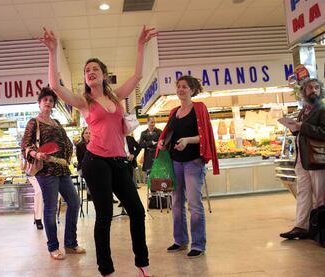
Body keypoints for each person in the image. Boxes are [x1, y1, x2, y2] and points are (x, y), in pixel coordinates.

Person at [41, 25, 157, 277]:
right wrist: (52, 51)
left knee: (137, 211)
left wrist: (141, 45)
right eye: (86, 70)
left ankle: (142, 263)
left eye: (95, 69)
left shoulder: (116, 98)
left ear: (104, 75)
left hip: (118, 162)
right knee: (104, 215)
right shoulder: (85, 102)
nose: (90, 72)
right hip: (96, 162)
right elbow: (56, 87)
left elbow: (137, 75)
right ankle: (106, 270)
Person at [157, 75, 219, 258]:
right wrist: (163, 143)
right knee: (176, 203)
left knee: (194, 203)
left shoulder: (199, 108)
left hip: (193, 162)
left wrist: (187, 141)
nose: (180, 90)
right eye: (178, 87)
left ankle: (198, 244)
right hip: (175, 162)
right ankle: (180, 240)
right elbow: (169, 135)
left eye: (184, 86)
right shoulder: (174, 112)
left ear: (192, 90)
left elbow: (205, 137)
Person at [21, 87, 85, 260]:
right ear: (39, 103)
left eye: (51, 100)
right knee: (50, 208)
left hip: (63, 169)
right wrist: (36, 154)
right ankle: (53, 247)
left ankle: (70, 243)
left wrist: (69, 153)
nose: (48, 103)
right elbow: (25, 145)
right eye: (45, 100)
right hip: (46, 171)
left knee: (74, 202)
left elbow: (66, 142)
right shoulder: (34, 122)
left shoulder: (56, 122)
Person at [280, 78, 325, 240]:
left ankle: (320, 229)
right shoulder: (304, 110)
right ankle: (301, 226)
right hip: (303, 158)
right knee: (303, 192)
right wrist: (294, 128)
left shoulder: (322, 109)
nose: (314, 90)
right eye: (310, 88)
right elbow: (305, 132)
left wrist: (302, 127)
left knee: (321, 195)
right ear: (304, 91)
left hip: (317, 159)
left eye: (317, 88)